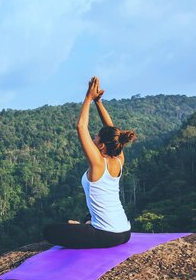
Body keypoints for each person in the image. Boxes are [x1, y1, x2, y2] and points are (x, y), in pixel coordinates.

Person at [43, 76, 137, 248]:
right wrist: (98, 102)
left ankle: (84, 227)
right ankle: (85, 224)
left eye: (96, 137)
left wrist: (88, 98)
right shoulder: (118, 159)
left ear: (101, 145)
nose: (93, 138)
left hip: (107, 235)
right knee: (88, 216)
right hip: (125, 231)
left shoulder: (98, 164)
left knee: (49, 231)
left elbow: (81, 127)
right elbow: (113, 131)